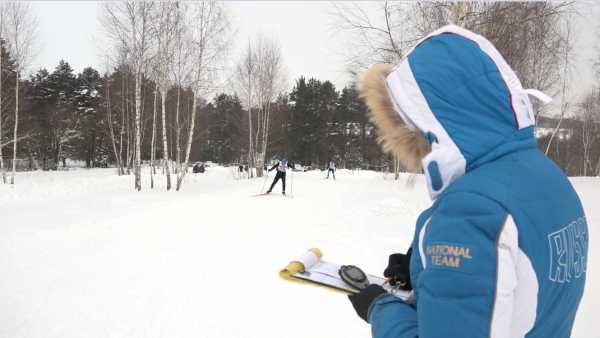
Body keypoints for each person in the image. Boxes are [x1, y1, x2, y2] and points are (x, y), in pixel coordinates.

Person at [348, 25, 588, 338]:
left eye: (407, 124)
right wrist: (425, 271)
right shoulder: (549, 177)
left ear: (429, 122)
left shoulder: (470, 211)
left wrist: (380, 308)